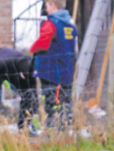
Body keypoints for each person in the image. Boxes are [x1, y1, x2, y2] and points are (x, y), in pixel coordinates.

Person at [30, 0, 77, 128]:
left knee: (51, 101)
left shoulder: (51, 23)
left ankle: (53, 128)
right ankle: (64, 126)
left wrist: (33, 49)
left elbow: (43, 43)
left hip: (50, 70)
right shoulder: (70, 25)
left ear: (53, 5)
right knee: (64, 101)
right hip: (66, 70)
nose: (46, 10)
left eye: (47, 7)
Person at [0, 48, 38, 136]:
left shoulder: (30, 69)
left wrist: (34, 108)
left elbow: (33, 90)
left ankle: (24, 126)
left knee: (28, 94)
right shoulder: (3, 61)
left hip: (12, 71)